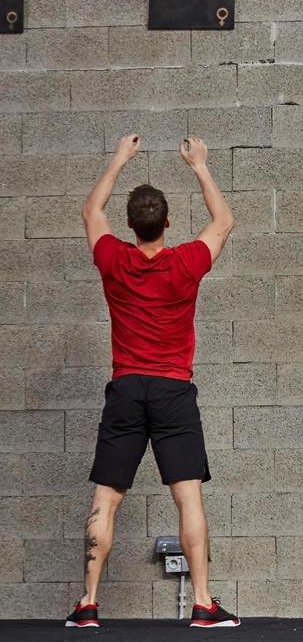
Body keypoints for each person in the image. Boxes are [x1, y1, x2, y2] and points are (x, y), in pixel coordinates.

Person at [66, 135, 240, 629]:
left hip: (126, 390)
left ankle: (88, 604)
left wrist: (120, 158)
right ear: (166, 223)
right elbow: (224, 222)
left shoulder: (113, 259)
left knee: (106, 497)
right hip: (172, 392)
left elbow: (89, 210)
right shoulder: (185, 262)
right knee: (188, 497)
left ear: (130, 226)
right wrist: (200, 166)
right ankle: (203, 604)